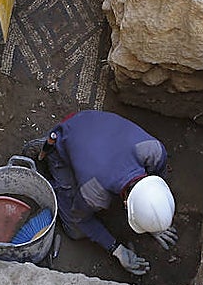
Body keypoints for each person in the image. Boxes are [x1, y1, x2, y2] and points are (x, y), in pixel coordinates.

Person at [24, 110, 176, 275]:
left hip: (94, 121)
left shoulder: (155, 151)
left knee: (91, 171)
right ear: (125, 204)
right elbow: (81, 220)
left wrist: (153, 221)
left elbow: (151, 193)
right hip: (70, 132)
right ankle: (51, 147)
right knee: (75, 231)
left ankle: (70, 150)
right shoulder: (94, 193)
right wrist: (116, 249)